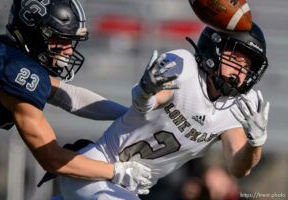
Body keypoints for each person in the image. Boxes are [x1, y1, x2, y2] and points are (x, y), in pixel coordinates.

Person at [59, 21, 270, 200]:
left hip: (128, 187)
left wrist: (256, 143)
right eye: (234, 59)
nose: (240, 71)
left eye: (247, 66)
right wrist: (145, 93)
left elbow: (238, 168)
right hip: (97, 168)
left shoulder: (239, 106)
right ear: (213, 50)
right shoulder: (185, 67)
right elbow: (145, 105)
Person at [0, 0, 155, 194]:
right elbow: (51, 158)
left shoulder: (5, 52)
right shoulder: (15, 71)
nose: (68, 50)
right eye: (61, 39)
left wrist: (130, 114)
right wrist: (116, 171)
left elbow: (69, 96)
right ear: (32, 34)